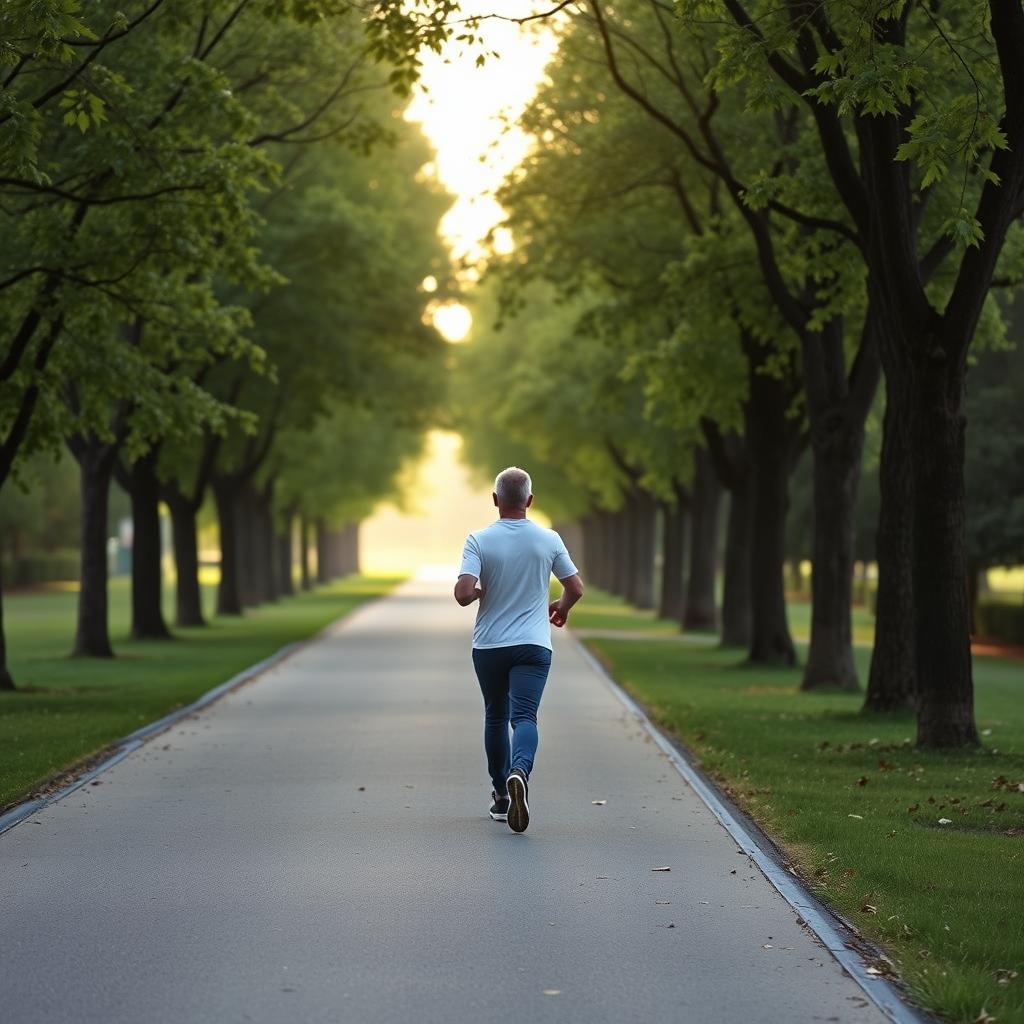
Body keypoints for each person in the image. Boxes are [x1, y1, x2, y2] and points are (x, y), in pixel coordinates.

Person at [454, 467, 584, 833]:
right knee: (524, 717)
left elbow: (463, 594)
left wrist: (480, 592)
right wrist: (561, 606)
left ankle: (501, 796)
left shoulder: (478, 540)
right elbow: (575, 587)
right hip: (533, 645)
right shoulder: (548, 539)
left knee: (496, 716)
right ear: (530, 500)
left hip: (490, 645)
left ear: (495, 500)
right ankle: (519, 771)